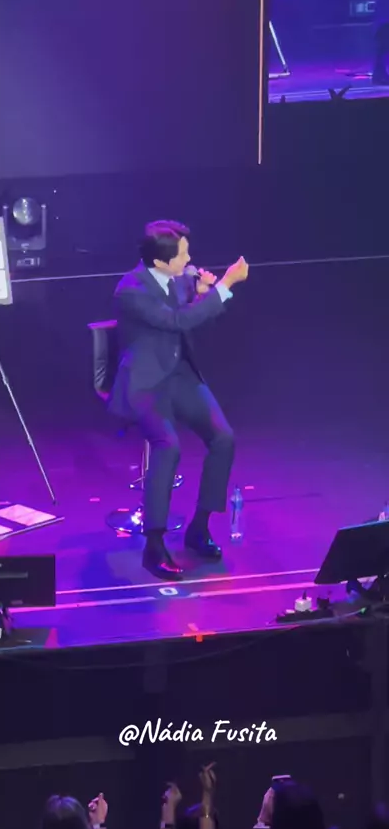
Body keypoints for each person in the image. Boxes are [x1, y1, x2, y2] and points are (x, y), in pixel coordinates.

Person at [109, 220, 249, 580]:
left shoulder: (179, 276)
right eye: (182, 255)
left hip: (179, 375)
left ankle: (199, 527)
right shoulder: (131, 290)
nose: (189, 260)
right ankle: (154, 546)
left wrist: (202, 293)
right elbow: (174, 321)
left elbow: (194, 317)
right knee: (168, 446)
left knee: (223, 438)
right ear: (160, 261)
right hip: (145, 383)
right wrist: (225, 286)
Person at [373, 0, 389, 85]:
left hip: (382, 23)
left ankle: (379, 75)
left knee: (383, 50)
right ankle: (379, 76)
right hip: (384, 23)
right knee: (383, 50)